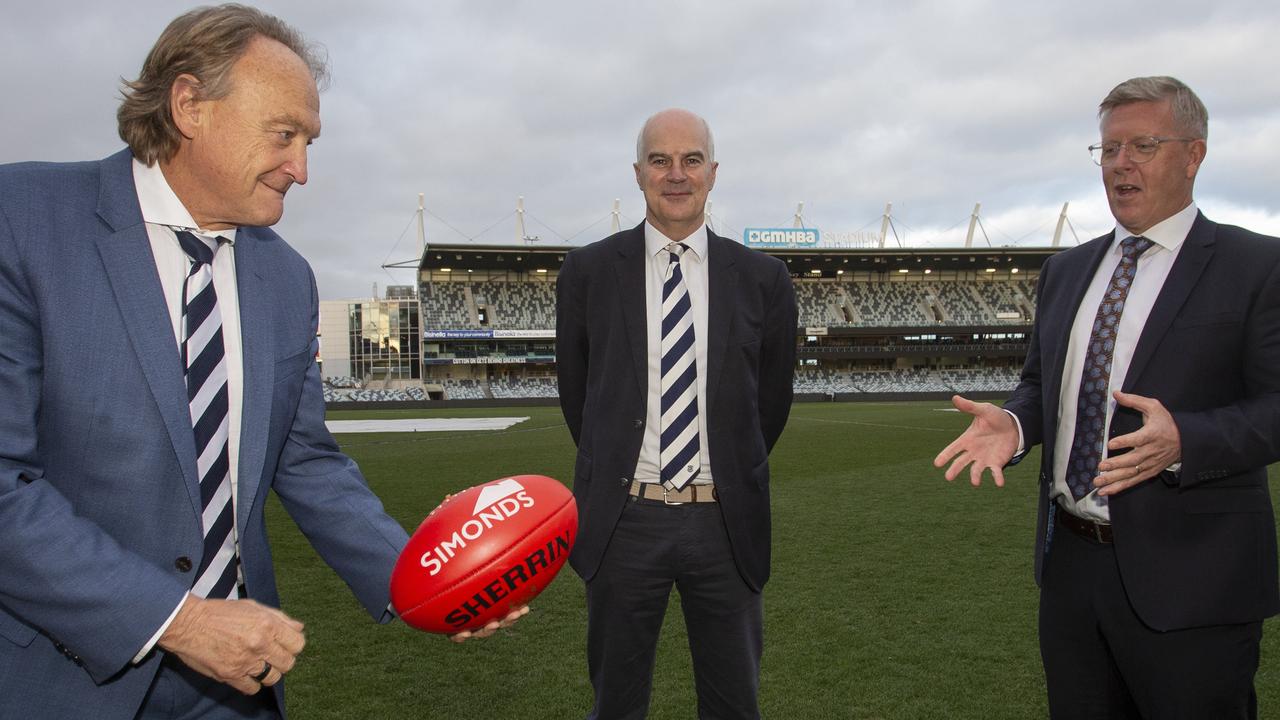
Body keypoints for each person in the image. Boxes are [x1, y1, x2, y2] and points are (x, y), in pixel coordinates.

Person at [0, 6, 516, 719]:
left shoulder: (286, 277)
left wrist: (424, 582)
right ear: (189, 106)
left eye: (308, 140)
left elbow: (304, 460)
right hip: (67, 678)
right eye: (284, 134)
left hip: (236, 685)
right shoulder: (20, 218)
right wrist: (176, 619)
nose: (301, 169)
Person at [934, 76, 1280, 718]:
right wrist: (1015, 423)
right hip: (1071, 571)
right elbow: (1044, 384)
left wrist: (1188, 440)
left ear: (1194, 154)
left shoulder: (1257, 266)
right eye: (1109, 149)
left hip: (1195, 581)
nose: (1121, 164)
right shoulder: (1067, 271)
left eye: (1143, 146)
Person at [556, 109, 797, 719]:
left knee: (733, 705)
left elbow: (769, 404)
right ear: (638, 173)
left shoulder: (765, 279)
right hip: (622, 521)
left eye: (691, 160)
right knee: (615, 705)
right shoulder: (587, 273)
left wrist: (724, 472)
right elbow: (577, 396)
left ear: (713, 172)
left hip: (725, 523)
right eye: (660, 160)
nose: (676, 174)